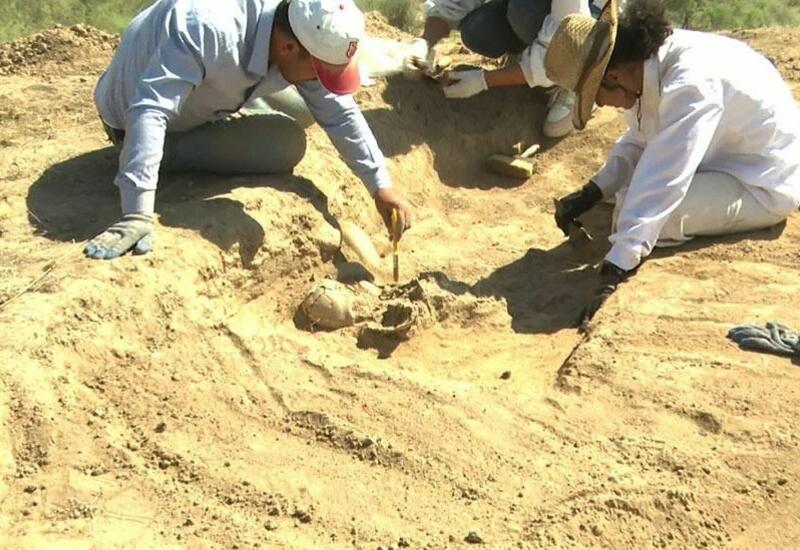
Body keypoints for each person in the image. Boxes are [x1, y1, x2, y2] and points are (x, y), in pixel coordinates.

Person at [86, 0, 413, 260]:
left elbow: (339, 113)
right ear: (288, 48)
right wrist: (136, 213)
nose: (321, 81)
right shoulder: (207, 28)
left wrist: (380, 186)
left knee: (304, 107)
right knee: (285, 143)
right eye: (320, 71)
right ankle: (165, 151)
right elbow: (149, 111)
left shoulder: (292, 21)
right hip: (131, 116)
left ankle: (216, 114)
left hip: (202, 82)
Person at [547, 0, 800, 325]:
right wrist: (593, 191)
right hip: (730, 157)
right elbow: (640, 139)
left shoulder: (691, 86)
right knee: (627, 201)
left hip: (763, 182)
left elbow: (666, 176)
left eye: (596, 96)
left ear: (612, 76)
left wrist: (617, 266)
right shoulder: (650, 65)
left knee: (635, 214)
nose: (602, 105)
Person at [407, 0, 606, 138]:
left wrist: (483, 80)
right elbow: (454, 3)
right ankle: (530, 52)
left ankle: (577, 81)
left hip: (590, 19)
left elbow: (571, 38)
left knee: (524, 12)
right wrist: (425, 43)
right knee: (477, 30)